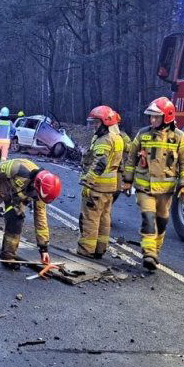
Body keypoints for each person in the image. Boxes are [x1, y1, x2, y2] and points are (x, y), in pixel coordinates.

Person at [121, 97, 184, 270]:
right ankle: (149, 253)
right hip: (144, 188)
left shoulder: (178, 137)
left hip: (165, 191)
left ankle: (155, 252)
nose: (152, 120)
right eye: (151, 117)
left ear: (167, 117)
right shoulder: (143, 134)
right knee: (148, 218)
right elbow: (131, 160)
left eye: (156, 117)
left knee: (162, 222)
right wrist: (127, 181)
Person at [77, 106, 126, 259]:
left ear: (105, 123)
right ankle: (100, 249)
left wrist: (88, 182)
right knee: (104, 218)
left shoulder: (104, 140)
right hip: (109, 187)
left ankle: (86, 250)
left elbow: (99, 164)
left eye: (96, 123)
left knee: (90, 218)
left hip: (97, 186)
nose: (93, 126)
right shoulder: (117, 138)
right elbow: (119, 164)